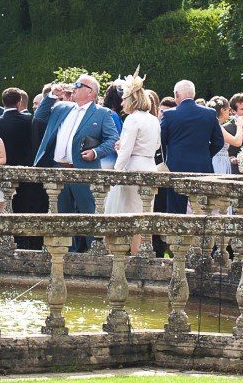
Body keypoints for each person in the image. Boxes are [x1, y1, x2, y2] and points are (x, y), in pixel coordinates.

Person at [34, 74, 117, 253]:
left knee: (89, 216)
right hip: (59, 170)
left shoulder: (102, 113)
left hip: (84, 171)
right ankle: (64, 256)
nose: (74, 87)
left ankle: (95, 255)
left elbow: (113, 140)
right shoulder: (62, 107)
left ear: (91, 92)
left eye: (79, 84)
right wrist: (51, 95)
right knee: (61, 218)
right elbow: (39, 117)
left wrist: (95, 152)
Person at [159, 79, 226, 213]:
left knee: (176, 211)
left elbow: (161, 141)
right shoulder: (210, 113)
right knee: (203, 210)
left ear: (177, 94)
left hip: (176, 168)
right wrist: (205, 155)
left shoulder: (169, 115)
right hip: (203, 167)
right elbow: (219, 142)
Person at [107, 76, 161, 228]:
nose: (122, 102)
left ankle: (136, 252)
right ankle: (143, 250)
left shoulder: (132, 119)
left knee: (132, 216)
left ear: (132, 99)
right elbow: (156, 145)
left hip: (133, 168)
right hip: (150, 167)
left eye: (124, 99)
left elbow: (126, 152)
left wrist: (116, 172)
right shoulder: (153, 119)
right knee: (146, 214)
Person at [0, 88, 44, 248]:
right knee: (24, 207)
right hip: (26, 171)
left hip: (3, 171)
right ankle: (24, 243)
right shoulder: (29, 121)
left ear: (3, 102)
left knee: (6, 207)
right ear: (19, 103)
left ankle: (7, 241)